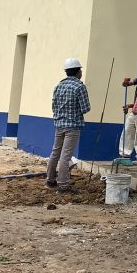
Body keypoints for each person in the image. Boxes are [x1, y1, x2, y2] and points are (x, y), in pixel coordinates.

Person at [47, 57, 91, 192]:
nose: (81, 73)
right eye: (81, 70)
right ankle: (63, 184)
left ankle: (50, 180)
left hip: (59, 124)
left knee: (55, 152)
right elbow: (86, 108)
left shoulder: (58, 85)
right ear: (78, 71)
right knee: (66, 155)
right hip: (73, 126)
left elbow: (54, 106)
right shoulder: (79, 86)